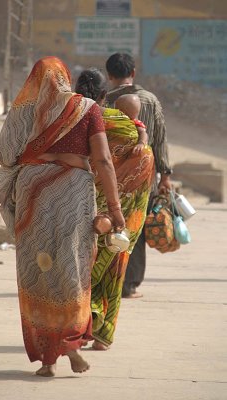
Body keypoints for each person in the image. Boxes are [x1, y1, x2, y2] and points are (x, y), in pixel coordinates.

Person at [0, 57, 125, 377]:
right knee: (72, 269)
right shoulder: (86, 109)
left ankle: (49, 359)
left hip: (32, 193)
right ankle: (71, 346)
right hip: (73, 193)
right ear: (66, 79)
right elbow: (104, 161)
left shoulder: (23, 113)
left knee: (37, 271)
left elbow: (4, 154)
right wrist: (116, 210)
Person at [75, 68, 155, 350]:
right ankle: (102, 335)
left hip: (81, 208)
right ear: (104, 95)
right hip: (122, 214)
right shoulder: (131, 131)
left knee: (80, 269)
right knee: (114, 269)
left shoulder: (75, 121)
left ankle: (79, 327)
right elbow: (141, 167)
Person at [105, 53, 173, 298]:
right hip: (145, 177)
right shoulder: (151, 100)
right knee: (136, 228)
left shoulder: (105, 101)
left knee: (109, 226)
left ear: (109, 75)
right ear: (133, 72)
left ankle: (106, 279)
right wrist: (165, 176)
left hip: (110, 178)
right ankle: (129, 284)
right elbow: (161, 139)